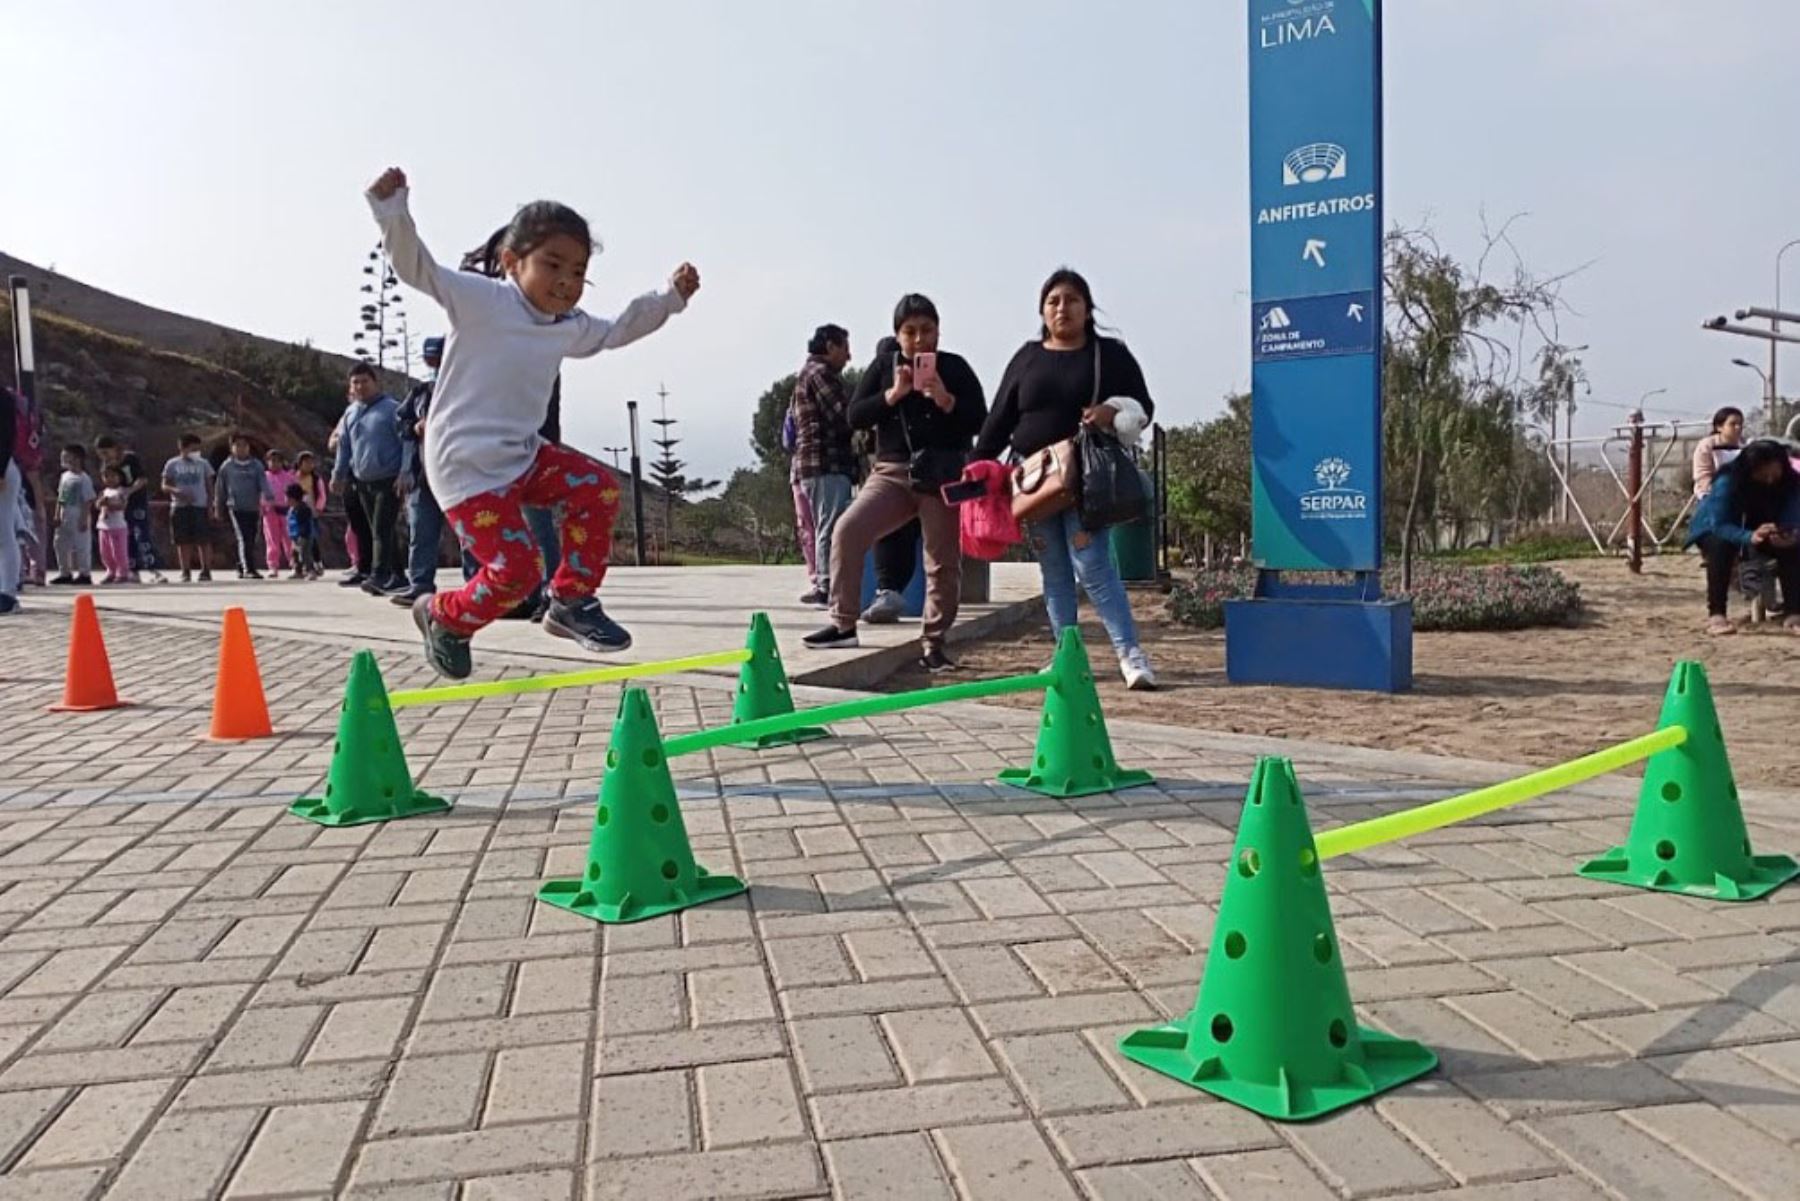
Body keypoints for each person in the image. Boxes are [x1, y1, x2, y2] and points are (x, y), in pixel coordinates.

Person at [366, 166, 698, 679]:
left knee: (598, 489)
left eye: (578, 273)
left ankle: (570, 601)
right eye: (553, 266)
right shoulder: (484, 300)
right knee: (517, 575)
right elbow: (419, 270)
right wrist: (392, 212)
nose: (566, 283)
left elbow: (617, 330)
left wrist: (670, 300)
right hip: (466, 467)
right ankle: (442, 615)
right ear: (511, 262)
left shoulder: (566, 326)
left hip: (523, 454)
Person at [975, 268, 1157, 690]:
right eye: (1054, 300)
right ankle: (1065, 657)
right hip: (1033, 483)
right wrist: (978, 465)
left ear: (1088, 309)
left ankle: (1130, 654)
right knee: (1053, 570)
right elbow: (1000, 417)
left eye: (1072, 300)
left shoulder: (1109, 354)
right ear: (1042, 309)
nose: (1063, 308)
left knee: (1092, 566)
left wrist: (1111, 412)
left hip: (1085, 480)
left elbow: (1145, 406)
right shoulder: (1027, 356)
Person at [804, 295, 986, 672]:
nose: (919, 339)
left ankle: (934, 643)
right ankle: (843, 623)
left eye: (927, 330)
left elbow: (980, 419)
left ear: (938, 331)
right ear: (897, 334)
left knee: (941, 561)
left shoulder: (954, 367)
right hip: (890, 471)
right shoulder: (883, 368)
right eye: (910, 331)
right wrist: (893, 395)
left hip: (940, 474)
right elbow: (855, 414)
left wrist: (946, 399)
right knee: (847, 530)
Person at [1687, 438, 1800, 636]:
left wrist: (1790, 533)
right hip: (1719, 528)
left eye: (1774, 474)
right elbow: (1719, 523)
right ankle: (1717, 614)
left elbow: (1794, 513)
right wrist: (1749, 536)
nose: (1770, 481)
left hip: (1765, 527)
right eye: (1763, 475)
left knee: (1791, 548)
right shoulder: (1728, 481)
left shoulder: (1791, 482)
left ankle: (1793, 612)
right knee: (1720, 547)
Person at [789, 324, 856, 607]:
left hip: (815, 464)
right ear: (830, 346)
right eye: (845, 348)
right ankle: (827, 586)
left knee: (823, 524)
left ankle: (824, 582)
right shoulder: (820, 374)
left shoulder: (807, 374)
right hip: (825, 463)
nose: (849, 356)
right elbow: (846, 414)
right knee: (830, 525)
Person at [332, 362, 407, 595]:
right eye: (356, 382)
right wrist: (338, 474)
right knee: (379, 528)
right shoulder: (350, 412)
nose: (360, 386)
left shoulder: (392, 409)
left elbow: (407, 443)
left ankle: (379, 575)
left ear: (375, 382)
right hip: (362, 480)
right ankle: (398, 575)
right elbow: (344, 446)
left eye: (365, 381)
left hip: (389, 478)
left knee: (381, 528)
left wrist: (405, 472)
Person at [392, 335, 447, 605]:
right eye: (430, 359)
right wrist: (414, 428)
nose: (433, 364)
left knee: (469, 535)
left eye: (438, 358)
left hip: (456, 476)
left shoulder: (462, 390)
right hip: (422, 476)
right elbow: (400, 423)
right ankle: (420, 585)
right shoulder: (418, 393)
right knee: (421, 533)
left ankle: (478, 586)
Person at [95, 435, 163, 583]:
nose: (104, 457)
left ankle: (153, 569)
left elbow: (142, 479)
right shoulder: (106, 464)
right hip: (118, 507)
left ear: (114, 449)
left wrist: (129, 491)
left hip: (136, 501)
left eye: (106, 453)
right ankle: (132, 570)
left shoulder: (130, 459)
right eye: (101, 454)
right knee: (127, 537)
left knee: (141, 534)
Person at [216, 433, 275, 579]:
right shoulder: (227, 466)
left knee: (251, 538)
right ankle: (249, 569)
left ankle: (241, 564)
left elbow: (263, 482)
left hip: (253, 507)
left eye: (244, 445)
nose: (242, 448)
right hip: (235, 507)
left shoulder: (256, 465)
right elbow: (220, 487)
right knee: (243, 537)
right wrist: (218, 506)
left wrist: (268, 495)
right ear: (232, 448)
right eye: (238, 445)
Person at [161, 433, 216, 582]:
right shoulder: (172, 464)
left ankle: (206, 570)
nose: (196, 452)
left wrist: (211, 505)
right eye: (193, 449)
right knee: (183, 540)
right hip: (180, 506)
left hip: (200, 506)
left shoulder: (203, 464)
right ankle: (185, 570)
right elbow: (164, 485)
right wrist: (176, 491)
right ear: (183, 448)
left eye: (198, 449)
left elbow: (210, 486)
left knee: (203, 540)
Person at [50, 444, 96, 586]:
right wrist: (57, 514)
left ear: (77, 459)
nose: (63, 459)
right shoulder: (64, 477)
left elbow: (88, 500)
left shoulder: (83, 479)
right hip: (65, 515)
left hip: (78, 515)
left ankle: (84, 573)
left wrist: (84, 518)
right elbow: (61, 497)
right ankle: (65, 572)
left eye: (66, 456)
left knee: (81, 545)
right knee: (60, 544)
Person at [1692, 406, 1745, 500]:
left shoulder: (1745, 446)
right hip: (1712, 494)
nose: (1738, 427)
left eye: (1740, 424)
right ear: (1719, 427)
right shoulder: (1707, 445)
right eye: (1732, 424)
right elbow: (1702, 475)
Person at [0, 388, 21, 613]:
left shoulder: (3, 398)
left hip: (4, 470)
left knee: (3, 532)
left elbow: (6, 435)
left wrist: (1, 471)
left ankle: (8, 593)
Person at [94, 465, 132, 584]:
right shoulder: (104, 492)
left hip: (117, 526)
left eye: (113, 476)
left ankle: (123, 572)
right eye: (106, 476)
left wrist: (109, 505)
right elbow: (97, 505)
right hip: (103, 526)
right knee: (105, 552)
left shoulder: (121, 491)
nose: (109, 479)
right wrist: (101, 502)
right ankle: (111, 571)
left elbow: (122, 506)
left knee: (118, 551)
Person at [262, 449, 298, 575]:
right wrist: (262, 506)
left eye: (277, 461)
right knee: (272, 539)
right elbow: (258, 493)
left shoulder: (289, 477)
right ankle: (273, 566)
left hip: (287, 510)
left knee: (289, 539)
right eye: (272, 461)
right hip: (270, 511)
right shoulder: (263, 477)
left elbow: (296, 493)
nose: (274, 463)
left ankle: (294, 563)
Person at [286, 482, 322, 578]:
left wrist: (302, 536)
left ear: (293, 498)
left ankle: (310, 570)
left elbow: (305, 525)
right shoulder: (291, 509)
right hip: (295, 536)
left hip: (304, 537)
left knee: (305, 554)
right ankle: (298, 571)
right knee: (295, 555)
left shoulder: (303, 509)